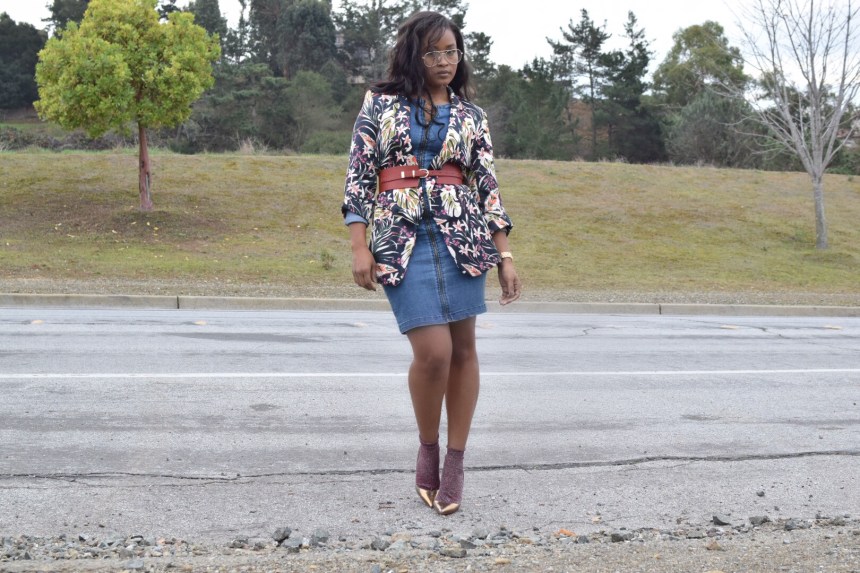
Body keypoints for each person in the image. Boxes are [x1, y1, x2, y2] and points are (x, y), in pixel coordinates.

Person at [341, 10, 521, 516]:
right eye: (434, 52)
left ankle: (457, 462)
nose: (445, 62)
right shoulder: (380, 104)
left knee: (464, 350)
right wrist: (360, 247)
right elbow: (359, 177)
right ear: (413, 55)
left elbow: (488, 187)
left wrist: (504, 255)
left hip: (463, 236)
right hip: (401, 236)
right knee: (434, 353)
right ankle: (428, 448)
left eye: (452, 52)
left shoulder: (472, 117)